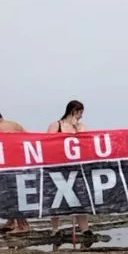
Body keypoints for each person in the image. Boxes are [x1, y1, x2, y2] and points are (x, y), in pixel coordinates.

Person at [47, 101, 93, 238]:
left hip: (77, 167)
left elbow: (86, 143)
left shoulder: (81, 126)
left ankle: (85, 229)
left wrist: (76, 127)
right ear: (74, 111)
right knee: (56, 199)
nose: (81, 117)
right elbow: (48, 143)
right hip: (58, 167)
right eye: (80, 113)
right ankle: (55, 229)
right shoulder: (56, 125)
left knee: (80, 199)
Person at [0, 110, 30, 235]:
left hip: (10, 163)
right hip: (20, 162)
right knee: (14, 193)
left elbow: (0, 147)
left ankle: (23, 225)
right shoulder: (16, 124)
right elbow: (29, 137)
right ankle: (11, 222)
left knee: (12, 194)